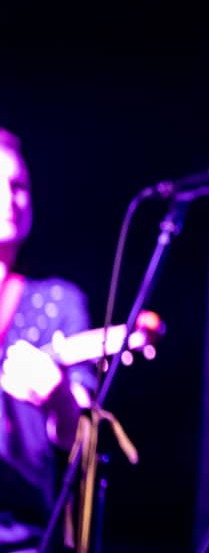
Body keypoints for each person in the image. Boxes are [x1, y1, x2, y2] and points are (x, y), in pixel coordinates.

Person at [0, 128, 94, 552]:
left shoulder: (57, 302)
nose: (10, 198)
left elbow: (83, 441)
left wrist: (59, 397)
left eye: (19, 185)